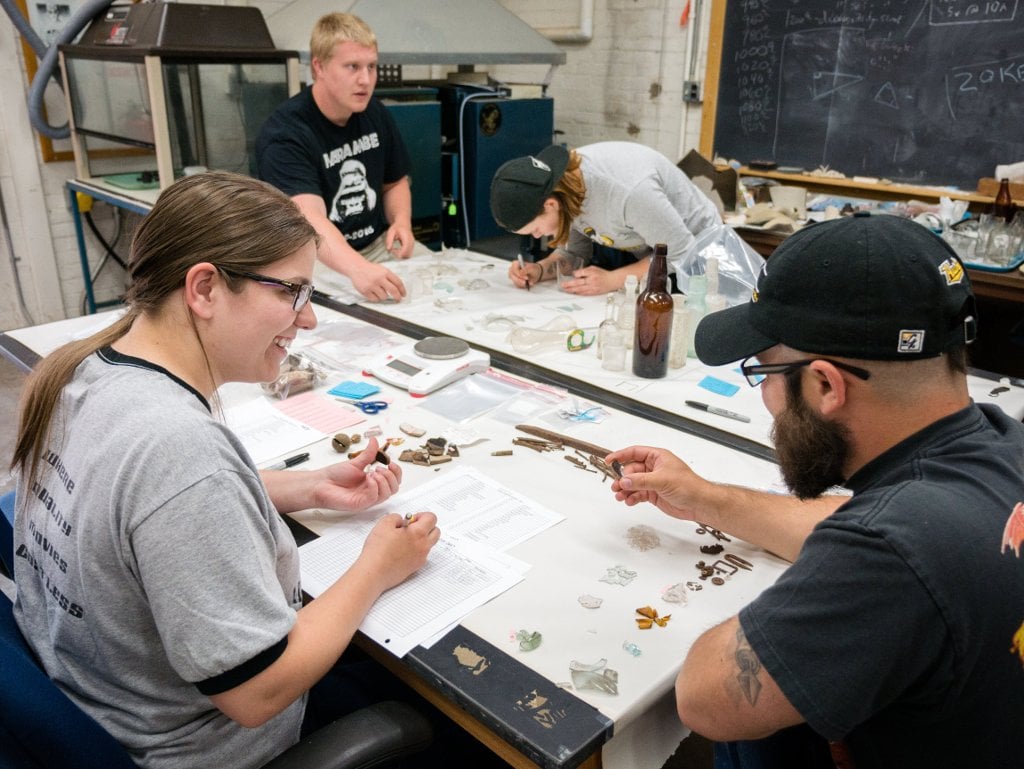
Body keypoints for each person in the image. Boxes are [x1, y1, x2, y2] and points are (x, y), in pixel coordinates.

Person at [9, 172, 441, 769]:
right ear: (205, 288)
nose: (307, 319)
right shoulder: (179, 451)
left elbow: (131, 507)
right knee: (446, 711)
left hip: (103, 700)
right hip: (201, 745)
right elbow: (256, 692)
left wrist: (305, 486)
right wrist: (376, 568)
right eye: (292, 291)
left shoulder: (81, 371)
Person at [605, 214, 1024, 768]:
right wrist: (704, 496)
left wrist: (803, 604)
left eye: (763, 373)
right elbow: (871, 529)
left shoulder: (890, 553)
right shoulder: (1000, 441)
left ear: (825, 384)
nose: (766, 401)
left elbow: (704, 700)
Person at [256, 12, 432, 303]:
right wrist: (358, 269)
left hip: (376, 245)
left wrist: (401, 221)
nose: (366, 80)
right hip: (315, 258)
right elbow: (308, 219)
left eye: (372, 67)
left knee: (435, 287)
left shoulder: (374, 112)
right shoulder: (286, 134)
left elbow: (394, 181)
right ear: (319, 67)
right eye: (352, 66)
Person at [490, 141, 721, 295]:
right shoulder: (564, 190)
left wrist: (613, 280)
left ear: (550, 205)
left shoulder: (629, 193)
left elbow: (681, 254)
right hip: (650, 251)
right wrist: (540, 269)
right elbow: (576, 254)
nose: (537, 235)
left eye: (535, 229)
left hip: (703, 258)